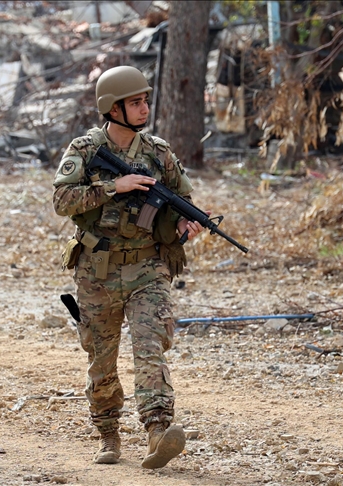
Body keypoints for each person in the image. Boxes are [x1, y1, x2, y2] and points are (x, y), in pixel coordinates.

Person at [53, 66, 206, 469]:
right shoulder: (86, 150)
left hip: (147, 267)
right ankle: (108, 432)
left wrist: (185, 224)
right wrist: (111, 187)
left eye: (146, 101)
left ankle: (158, 430)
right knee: (101, 358)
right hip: (97, 271)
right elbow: (62, 201)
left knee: (150, 345)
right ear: (112, 108)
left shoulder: (157, 152)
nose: (144, 108)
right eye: (135, 102)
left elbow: (182, 199)